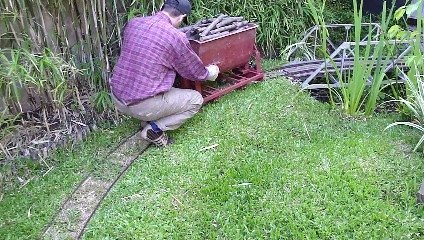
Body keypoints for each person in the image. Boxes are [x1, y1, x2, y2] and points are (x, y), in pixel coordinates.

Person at [110, 0, 219, 147]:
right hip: (140, 105)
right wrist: (211, 72)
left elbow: (152, 44)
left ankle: (148, 114)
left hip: (117, 97)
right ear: (182, 17)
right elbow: (195, 72)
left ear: (162, 8)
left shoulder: (134, 23)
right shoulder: (175, 37)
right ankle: (153, 130)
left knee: (168, 90)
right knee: (196, 100)